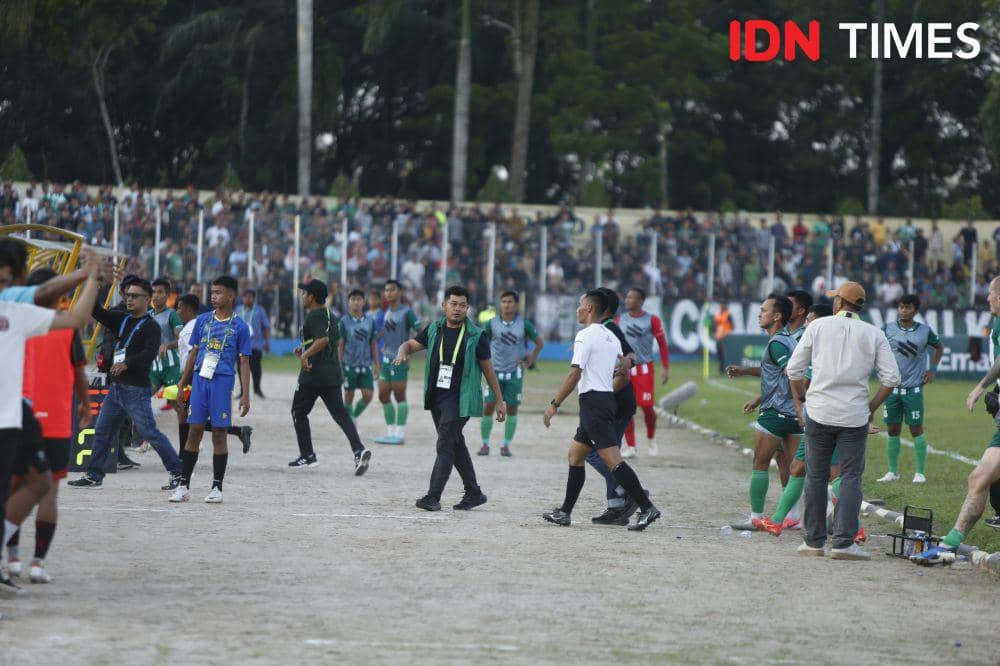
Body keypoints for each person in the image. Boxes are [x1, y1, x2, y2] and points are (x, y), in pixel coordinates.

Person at [0, 239, 101, 592]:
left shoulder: (21, 309)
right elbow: (71, 322)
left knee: (27, 484)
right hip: (19, 416)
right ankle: (28, 561)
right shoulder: (20, 307)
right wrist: (91, 275)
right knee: (44, 486)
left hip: (20, 413)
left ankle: (9, 557)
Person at [787, 282, 900, 560]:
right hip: (854, 415)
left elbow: (794, 370)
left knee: (815, 475)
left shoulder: (817, 327)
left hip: (820, 412)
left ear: (839, 303)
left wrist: (802, 401)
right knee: (850, 478)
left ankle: (813, 542)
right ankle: (843, 543)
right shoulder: (874, 333)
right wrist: (871, 407)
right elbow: (891, 378)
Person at [541, 289, 660, 531]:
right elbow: (625, 375)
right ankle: (564, 512)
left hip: (594, 405)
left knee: (613, 461)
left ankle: (647, 507)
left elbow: (575, 373)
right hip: (601, 401)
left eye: (580, 306)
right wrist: (606, 389)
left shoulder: (585, 336)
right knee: (576, 456)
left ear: (590, 310)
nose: (577, 309)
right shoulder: (612, 338)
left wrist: (554, 404)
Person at [912, 276, 1000, 564]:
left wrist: (981, 387)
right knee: (979, 478)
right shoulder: (996, 323)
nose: (987, 299)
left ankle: (950, 544)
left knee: (981, 477)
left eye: (991, 293)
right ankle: (949, 544)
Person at [68, 276, 184, 490]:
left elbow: (149, 353)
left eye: (134, 296)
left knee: (150, 433)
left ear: (147, 299)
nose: (129, 299)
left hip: (135, 390)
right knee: (102, 431)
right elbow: (97, 312)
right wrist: (93, 286)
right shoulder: (122, 319)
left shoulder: (151, 327)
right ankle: (94, 475)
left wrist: (127, 364)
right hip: (116, 389)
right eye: (127, 295)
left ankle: (178, 473)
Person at [394, 285, 503, 512]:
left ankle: (433, 497)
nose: (458, 309)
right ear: (444, 306)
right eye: (453, 304)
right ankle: (473, 492)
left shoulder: (476, 335)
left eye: (462, 305)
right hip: (437, 397)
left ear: (468, 308)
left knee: (445, 443)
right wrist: (402, 351)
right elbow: (411, 344)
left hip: (461, 399)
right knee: (455, 443)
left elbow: (488, 369)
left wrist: (499, 400)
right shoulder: (435, 329)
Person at [171, 276, 252, 503]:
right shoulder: (202, 321)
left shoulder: (240, 327)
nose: (213, 296)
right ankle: (183, 486)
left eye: (218, 292)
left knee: (219, 433)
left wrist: (246, 394)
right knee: (193, 430)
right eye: (212, 292)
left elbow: (244, 362)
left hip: (222, 381)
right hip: (200, 380)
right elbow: (193, 354)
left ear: (231, 295)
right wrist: (182, 384)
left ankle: (217, 488)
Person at [726, 295, 801, 531]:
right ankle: (793, 516)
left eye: (764, 310)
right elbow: (778, 372)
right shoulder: (789, 340)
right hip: (795, 417)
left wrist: (795, 401)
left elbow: (790, 372)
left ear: (777, 316)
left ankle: (756, 517)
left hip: (775, 414)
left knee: (760, 464)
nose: (760, 314)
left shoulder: (777, 342)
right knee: (795, 470)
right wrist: (746, 371)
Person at [288, 280, 372, 474]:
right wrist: (305, 348)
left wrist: (305, 355)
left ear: (311, 296)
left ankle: (308, 456)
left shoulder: (314, 316)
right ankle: (359, 450)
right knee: (341, 414)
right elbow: (327, 340)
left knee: (298, 412)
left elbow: (323, 340)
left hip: (313, 375)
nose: (302, 296)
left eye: (304, 293)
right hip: (332, 374)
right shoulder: (330, 315)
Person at [168, 294, 252, 455]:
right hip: (197, 374)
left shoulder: (195, 326)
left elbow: (192, 354)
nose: (177, 312)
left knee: (186, 415)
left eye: (179, 308)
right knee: (184, 412)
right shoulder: (200, 322)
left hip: (197, 376)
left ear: (189, 309)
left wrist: (183, 380)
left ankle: (183, 454)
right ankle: (237, 431)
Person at [877, 294, 943, 484]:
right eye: (901, 307)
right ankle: (892, 472)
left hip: (913, 388)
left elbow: (939, 348)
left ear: (915, 310)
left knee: (915, 429)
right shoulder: (887, 328)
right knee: (892, 429)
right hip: (891, 389)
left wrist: (933, 369)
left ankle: (920, 472)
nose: (904, 310)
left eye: (908, 307)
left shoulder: (924, 331)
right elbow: (877, 348)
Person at [478, 291, 544, 457]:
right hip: (494, 372)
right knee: (488, 407)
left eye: (510, 301)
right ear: (500, 304)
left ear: (515, 304)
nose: (507, 304)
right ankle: (485, 444)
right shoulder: (491, 323)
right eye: (504, 301)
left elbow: (539, 342)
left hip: (515, 374)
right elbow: (482, 342)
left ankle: (506, 445)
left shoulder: (524, 324)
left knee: (512, 409)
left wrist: (530, 359)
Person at [618, 287, 670, 458]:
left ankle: (651, 438)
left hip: (644, 369)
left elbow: (662, 344)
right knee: (626, 408)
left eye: (631, 297)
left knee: (647, 406)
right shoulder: (620, 320)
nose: (627, 300)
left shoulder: (652, 320)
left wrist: (665, 367)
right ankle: (631, 446)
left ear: (640, 301)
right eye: (627, 297)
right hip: (626, 369)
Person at [375, 279, 421, 445]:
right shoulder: (387, 312)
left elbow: (421, 332)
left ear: (400, 292)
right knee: (383, 395)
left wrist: (409, 351)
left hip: (399, 360)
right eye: (386, 290)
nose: (389, 293)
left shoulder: (407, 312)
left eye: (392, 290)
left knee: (399, 396)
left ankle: (399, 434)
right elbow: (387, 333)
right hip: (386, 359)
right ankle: (390, 432)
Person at [339, 289, 379, 420]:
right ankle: (350, 425)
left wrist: (377, 365)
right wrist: (339, 365)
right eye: (353, 299)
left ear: (363, 302)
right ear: (348, 302)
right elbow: (341, 345)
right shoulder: (344, 321)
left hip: (365, 364)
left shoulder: (370, 321)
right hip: (348, 364)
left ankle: (352, 417)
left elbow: (373, 344)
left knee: (368, 395)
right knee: (348, 397)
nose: (356, 302)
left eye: (358, 299)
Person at [236, 288, 270, 399]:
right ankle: (242, 391)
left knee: (256, 368)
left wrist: (267, 342)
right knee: (241, 368)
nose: (248, 299)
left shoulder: (260, 310)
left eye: (250, 297)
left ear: (254, 298)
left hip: (255, 345)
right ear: (242, 298)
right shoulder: (238, 309)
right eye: (245, 296)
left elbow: (266, 327)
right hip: (240, 346)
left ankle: (257, 389)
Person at [713, 298, 733, 375]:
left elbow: (731, 326)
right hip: (718, 337)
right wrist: (715, 333)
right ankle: (721, 369)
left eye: (722, 304)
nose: (721, 306)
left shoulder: (728, 314)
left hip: (726, 337)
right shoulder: (717, 314)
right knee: (719, 355)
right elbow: (715, 326)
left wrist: (726, 333)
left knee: (724, 354)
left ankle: (725, 369)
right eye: (720, 304)